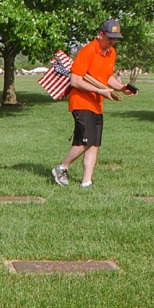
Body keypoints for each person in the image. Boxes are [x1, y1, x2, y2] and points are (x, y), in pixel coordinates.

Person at [52, 19, 137, 188]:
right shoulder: (88, 51)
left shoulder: (111, 53)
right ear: (100, 35)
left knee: (94, 143)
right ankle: (61, 168)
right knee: (85, 141)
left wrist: (122, 88)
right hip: (81, 102)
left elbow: (106, 78)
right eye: (109, 37)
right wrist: (100, 91)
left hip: (97, 103)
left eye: (115, 38)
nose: (112, 41)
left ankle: (86, 182)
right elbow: (75, 80)